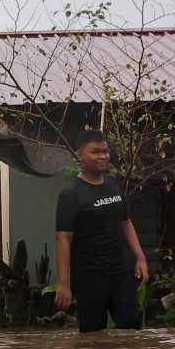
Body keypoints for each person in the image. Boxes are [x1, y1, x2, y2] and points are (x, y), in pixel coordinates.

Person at [53, 130, 149, 332]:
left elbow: (126, 223)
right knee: (93, 335)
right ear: (80, 155)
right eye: (95, 152)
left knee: (132, 325)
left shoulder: (113, 183)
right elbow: (63, 240)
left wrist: (140, 258)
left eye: (105, 151)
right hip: (90, 276)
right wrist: (63, 283)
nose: (103, 156)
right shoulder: (70, 194)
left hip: (121, 271)